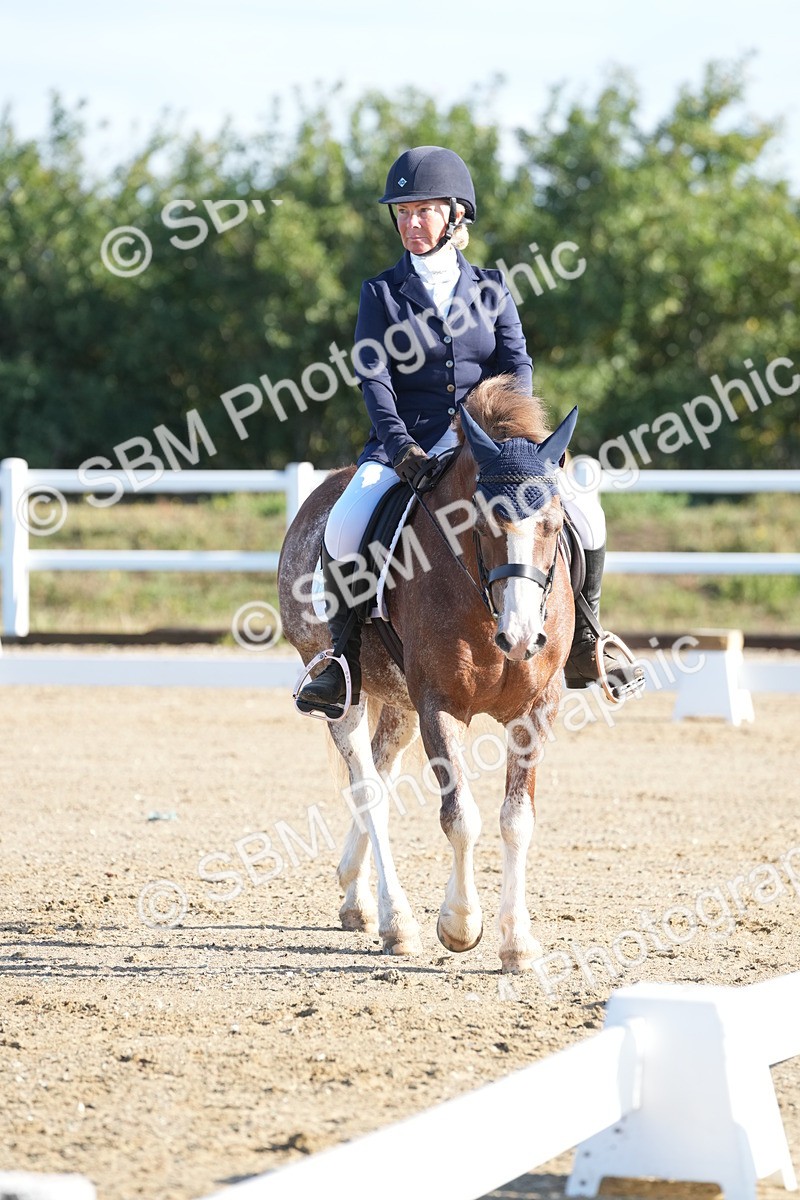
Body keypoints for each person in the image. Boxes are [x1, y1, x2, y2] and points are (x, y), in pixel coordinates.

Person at [296, 145, 642, 717]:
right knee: (345, 523)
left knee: (586, 510)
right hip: (405, 441)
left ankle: (587, 638)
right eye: (402, 212)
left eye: (423, 210)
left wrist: (518, 437)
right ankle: (340, 659)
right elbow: (374, 377)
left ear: (456, 215)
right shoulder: (381, 293)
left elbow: (517, 363)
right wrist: (400, 447)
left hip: (492, 445)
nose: (410, 223)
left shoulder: (491, 288)